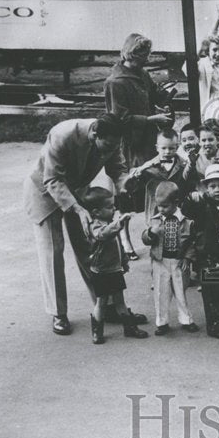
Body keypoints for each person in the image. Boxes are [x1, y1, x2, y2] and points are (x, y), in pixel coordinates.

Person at [23, 114, 148, 336]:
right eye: (108, 145)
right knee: (53, 251)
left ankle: (105, 306)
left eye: (115, 145)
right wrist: (78, 209)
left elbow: (117, 169)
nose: (111, 149)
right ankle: (58, 313)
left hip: (77, 190)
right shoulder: (62, 134)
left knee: (89, 248)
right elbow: (52, 179)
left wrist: (125, 185)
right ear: (94, 135)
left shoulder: (111, 139)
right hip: (44, 192)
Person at [103, 33, 175, 259]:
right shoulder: (115, 82)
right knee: (127, 191)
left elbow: (155, 97)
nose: (147, 59)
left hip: (148, 142)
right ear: (133, 55)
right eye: (143, 56)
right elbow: (119, 119)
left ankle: (159, 235)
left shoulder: (141, 74)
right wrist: (152, 119)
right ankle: (124, 239)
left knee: (156, 188)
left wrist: (166, 96)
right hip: (129, 146)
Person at [80, 187, 148, 344]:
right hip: (101, 272)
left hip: (114, 270)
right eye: (110, 207)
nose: (114, 209)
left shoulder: (110, 223)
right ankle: (97, 331)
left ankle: (129, 328)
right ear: (96, 212)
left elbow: (118, 246)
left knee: (120, 300)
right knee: (101, 302)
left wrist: (123, 261)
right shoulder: (95, 226)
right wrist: (119, 223)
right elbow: (103, 234)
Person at [181, 163, 219, 339]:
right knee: (212, 292)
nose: (217, 190)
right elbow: (187, 210)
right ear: (206, 187)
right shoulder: (201, 204)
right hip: (208, 253)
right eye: (212, 186)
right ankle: (215, 325)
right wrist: (191, 197)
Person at [141, 181, 199, 337]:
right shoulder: (155, 219)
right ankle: (162, 322)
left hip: (178, 261)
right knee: (161, 292)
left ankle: (186, 319)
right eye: (159, 206)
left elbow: (191, 242)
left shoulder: (186, 221)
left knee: (180, 291)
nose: (161, 209)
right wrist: (151, 233)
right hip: (160, 261)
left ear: (176, 203)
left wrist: (187, 259)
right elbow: (145, 239)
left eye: (165, 206)